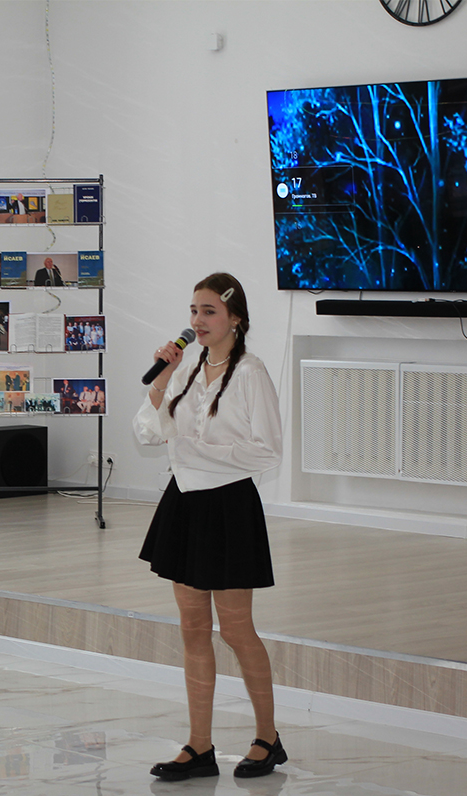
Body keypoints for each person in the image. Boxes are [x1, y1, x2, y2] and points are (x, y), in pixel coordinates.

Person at [133, 272, 285, 781]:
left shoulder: (251, 373)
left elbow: (267, 451)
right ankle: (199, 746)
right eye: (193, 311)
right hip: (186, 504)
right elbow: (149, 431)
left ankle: (268, 738)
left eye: (208, 311)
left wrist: (199, 452)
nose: (197, 321)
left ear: (235, 319)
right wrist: (163, 378)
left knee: (237, 630)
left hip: (228, 506)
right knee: (193, 628)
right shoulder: (186, 368)